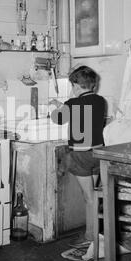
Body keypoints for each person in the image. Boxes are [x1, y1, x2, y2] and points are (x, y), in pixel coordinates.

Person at [50, 65, 106, 249]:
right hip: (98, 155)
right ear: (93, 86)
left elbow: (58, 119)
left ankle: (90, 236)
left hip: (80, 156)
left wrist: (57, 107)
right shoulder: (101, 101)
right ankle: (94, 233)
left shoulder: (72, 104)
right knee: (94, 196)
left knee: (88, 197)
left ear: (75, 86)